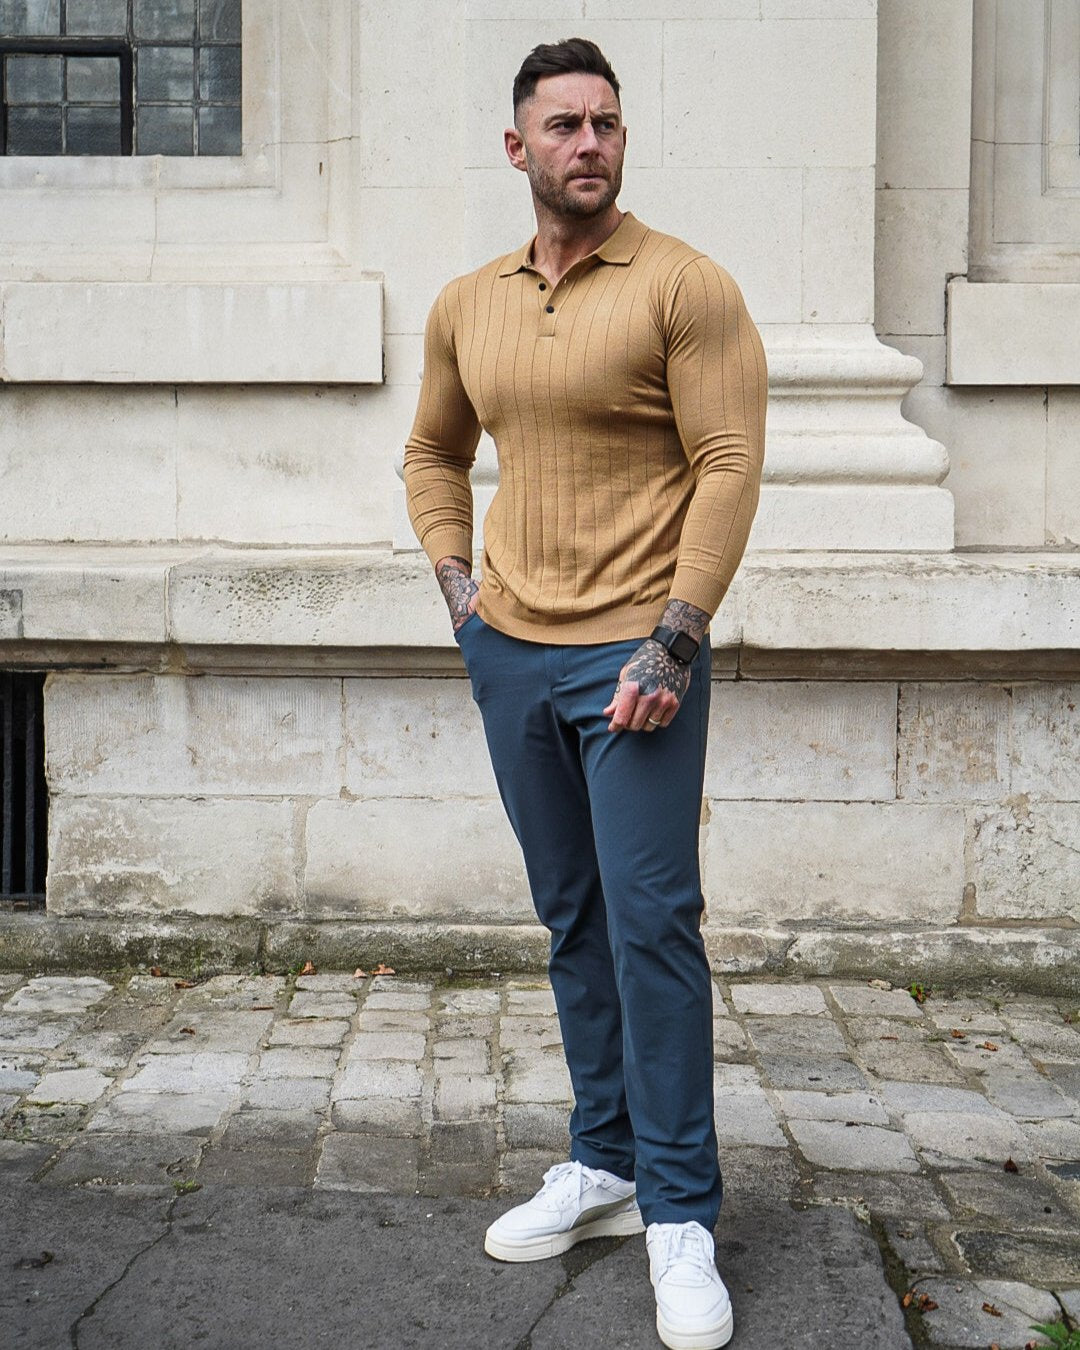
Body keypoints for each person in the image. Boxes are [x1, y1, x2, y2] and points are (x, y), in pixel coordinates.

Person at [403, 36, 766, 1350]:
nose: (590, 144)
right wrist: (462, 597)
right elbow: (432, 450)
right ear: (519, 149)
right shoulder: (469, 302)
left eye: (606, 122)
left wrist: (675, 640)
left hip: (635, 661)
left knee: (652, 924)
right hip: (511, 651)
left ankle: (679, 1212)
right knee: (573, 916)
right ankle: (604, 1159)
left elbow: (728, 460)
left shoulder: (685, 285)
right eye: (563, 126)